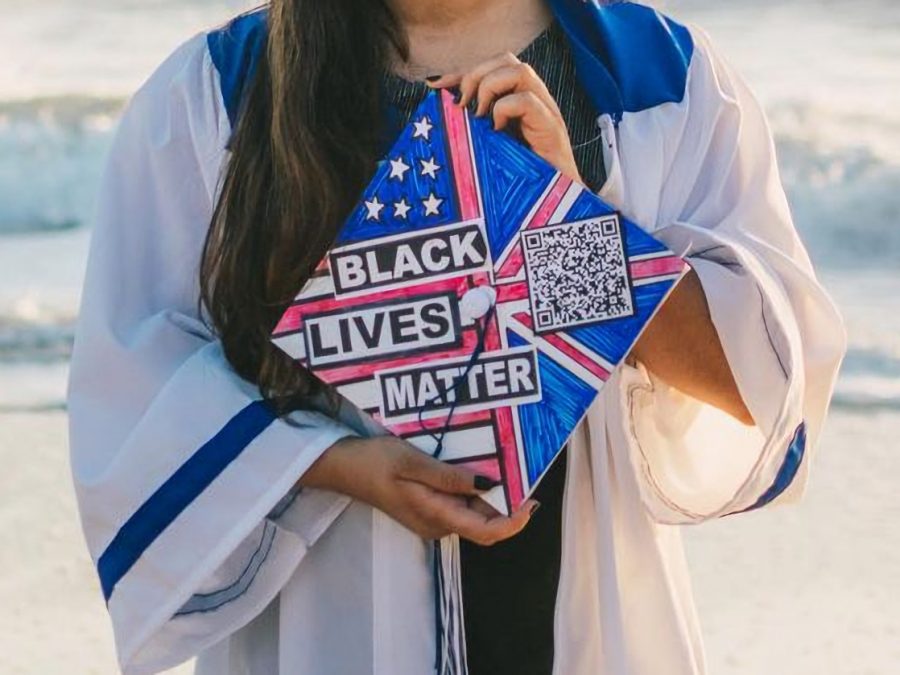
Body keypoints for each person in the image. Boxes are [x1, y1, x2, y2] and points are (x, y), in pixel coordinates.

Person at [67, 0, 846, 673]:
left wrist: (568, 226)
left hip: (593, 628)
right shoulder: (218, 96)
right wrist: (337, 463)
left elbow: (762, 379)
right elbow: (131, 389)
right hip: (334, 629)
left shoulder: (662, 83)